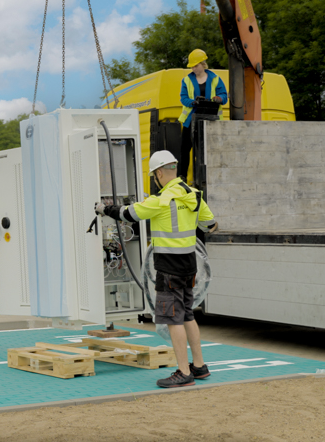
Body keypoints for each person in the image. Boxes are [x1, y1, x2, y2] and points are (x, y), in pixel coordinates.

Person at [95, 150, 218, 388]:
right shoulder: (194, 195)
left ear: (159, 173)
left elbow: (127, 214)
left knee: (174, 320)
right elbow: (211, 225)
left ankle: (183, 372)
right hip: (189, 266)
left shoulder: (160, 200)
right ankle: (199, 366)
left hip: (168, 267)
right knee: (188, 314)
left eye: (154, 175)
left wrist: (103, 209)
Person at [178, 49, 228, 180]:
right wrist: (193, 102)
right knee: (185, 149)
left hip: (210, 120)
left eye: (196, 66)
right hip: (190, 120)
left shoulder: (215, 79)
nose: (194, 69)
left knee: (204, 151)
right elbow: (183, 98)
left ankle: (205, 177)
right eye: (192, 66)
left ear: (203, 64)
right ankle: (182, 176)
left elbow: (224, 95)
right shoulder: (186, 80)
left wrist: (219, 98)